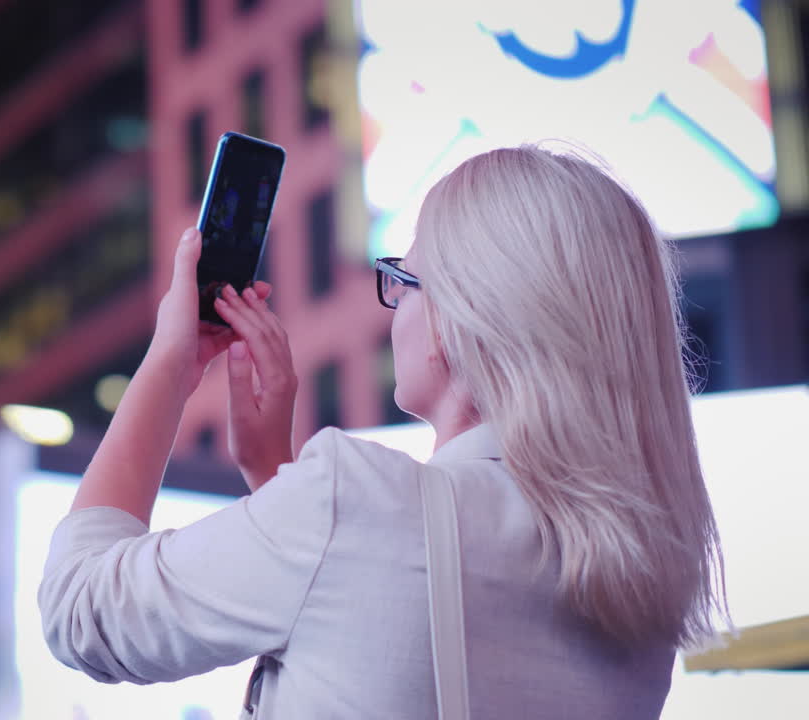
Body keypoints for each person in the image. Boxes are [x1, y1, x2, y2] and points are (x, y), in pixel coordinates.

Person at [38, 146, 726, 718]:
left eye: (403, 278)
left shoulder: (354, 502)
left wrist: (171, 366)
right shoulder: (642, 565)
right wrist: (276, 475)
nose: (393, 308)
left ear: (460, 319)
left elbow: (80, 611)